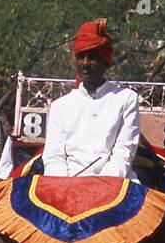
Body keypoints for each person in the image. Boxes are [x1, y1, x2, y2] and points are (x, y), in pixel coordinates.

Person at [41, 18, 140, 179]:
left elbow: (124, 152)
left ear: (105, 62)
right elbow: (54, 157)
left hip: (115, 183)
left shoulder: (126, 99)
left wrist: (100, 186)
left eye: (92, 57)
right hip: (67, 185)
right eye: (81, 57)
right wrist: (64, 187)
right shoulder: (60, 106)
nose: (85, 63)